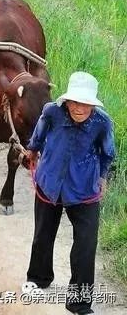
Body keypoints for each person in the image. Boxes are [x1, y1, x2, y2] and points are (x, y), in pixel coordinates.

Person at [22, 71, 116, 315]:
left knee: (86, 244)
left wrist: (102, 177)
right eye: (76, 102)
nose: (80, 108)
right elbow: (39, 135)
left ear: (93, 104)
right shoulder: (51, 112)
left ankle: (80, 303)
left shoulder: (102, 123)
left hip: (84, 189)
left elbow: (107, 153)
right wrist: (31, 151)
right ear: (67, 100)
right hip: (49, 182)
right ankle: (38, 278)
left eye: (86, 104)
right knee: (43, 233)